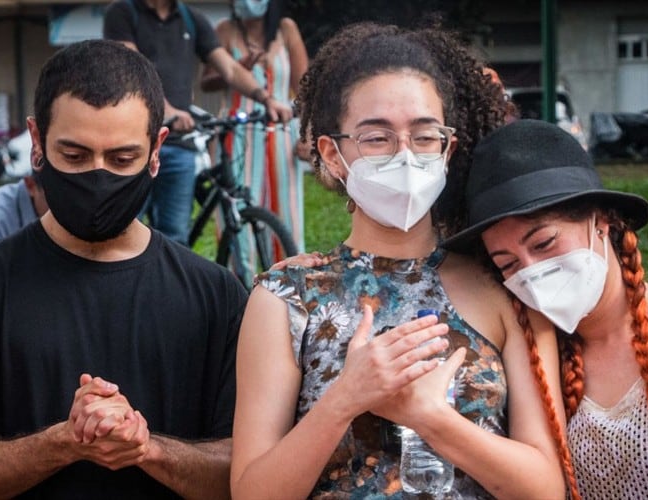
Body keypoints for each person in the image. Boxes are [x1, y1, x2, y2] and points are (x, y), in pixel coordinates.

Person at [230, 22, 573, 499]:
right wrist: (345, 399)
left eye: (424, 136)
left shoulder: (503, 285)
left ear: (447, 149)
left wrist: (427, 416)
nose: (405, 156)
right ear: (332, 154)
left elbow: (546, 490)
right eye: (376, 138)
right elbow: (252, 493)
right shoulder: (287, 296)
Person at [0, 39, 249, 498]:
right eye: (74, 156)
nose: (98, 177)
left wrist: (146, 449)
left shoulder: (216, 297)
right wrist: (63, 443)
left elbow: (248, 475)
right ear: (36, 141)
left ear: (156, 149)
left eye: (122, 159)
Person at [443, 118, 648, 499]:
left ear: (601, 220)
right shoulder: (533, 355)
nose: (532, 273)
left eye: (544, 244)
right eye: (508, 264)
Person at [103, 0, 293, 245]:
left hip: (179, 145)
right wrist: (168, 111)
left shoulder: (191, 18)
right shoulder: (123, 13)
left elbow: (230, 70)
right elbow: (129, 70)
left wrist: (267, 99)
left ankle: (167, 284)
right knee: (124, 230)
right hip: (132, 145)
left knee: (175, 237)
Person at [201, 0, 309, 252]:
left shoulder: (286, 29)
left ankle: (287, 282)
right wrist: (238, 70)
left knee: (287, 215)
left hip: (280, 133)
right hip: (236, 134)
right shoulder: (225, 30)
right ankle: (240, 283)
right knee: (236, 215)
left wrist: (308, 132)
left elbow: (306, 87)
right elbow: (206, 81)